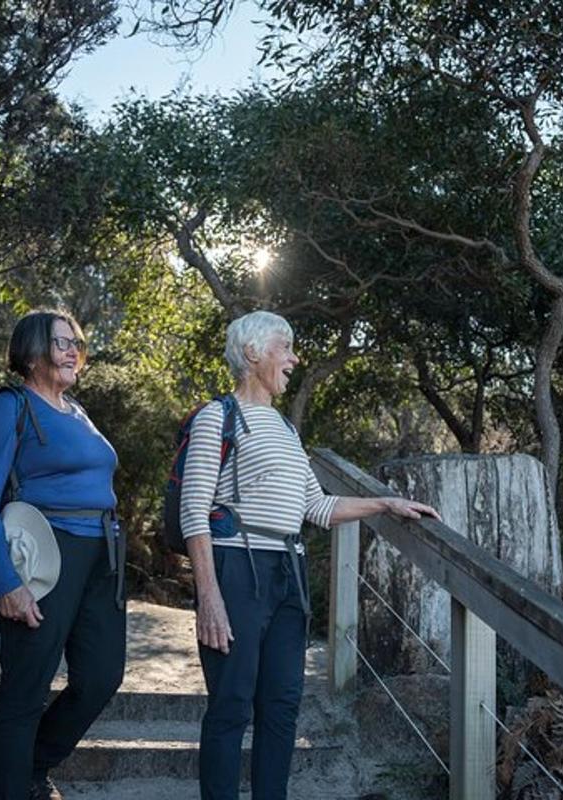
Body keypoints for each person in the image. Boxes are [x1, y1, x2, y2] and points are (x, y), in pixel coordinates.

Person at [180, 310, 440, 800]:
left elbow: (315, 506)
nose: (294, 358)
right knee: (232, 703)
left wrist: (384, 503)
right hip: (238, 567)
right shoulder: (217, 417)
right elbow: (194, 511)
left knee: (281, 706)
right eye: (286, 347)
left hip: (288, 571)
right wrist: (208, 596)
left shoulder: (285, 429)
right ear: (253, 353)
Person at [0, 309, 126, 800]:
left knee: (102, 676)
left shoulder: (77, 410)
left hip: (103, 557)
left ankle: (30, 766)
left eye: (76, 342)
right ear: (32, 352)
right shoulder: (9, 407)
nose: (72, 351)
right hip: (44, 552)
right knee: (25, 689)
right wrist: (5, 583)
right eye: (60, 343)